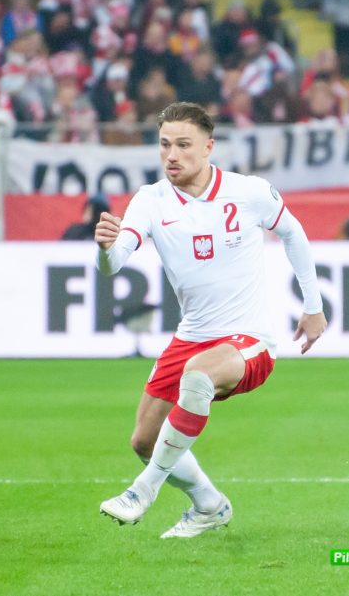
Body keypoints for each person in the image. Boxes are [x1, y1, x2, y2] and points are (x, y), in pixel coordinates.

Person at [94, 102, 326, 538]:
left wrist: (312, 306)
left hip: (248, 341)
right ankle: (209, 505)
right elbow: (113, 263)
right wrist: (104, 249)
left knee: (198, 375)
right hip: (191, 337)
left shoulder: (248, 191)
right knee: (144, 440)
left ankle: (143, 490)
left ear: (208, 147)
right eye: (164, 145)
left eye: (183, 145)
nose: (172, 155)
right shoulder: (150, 200)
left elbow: (293, 233)